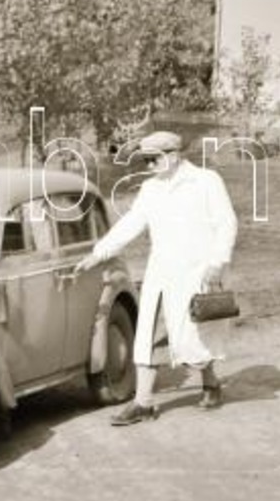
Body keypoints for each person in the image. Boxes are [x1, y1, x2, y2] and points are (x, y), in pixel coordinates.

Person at [74, 130, 238, 424]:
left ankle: (210, 382)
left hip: (198, 273)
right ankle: (143, 402)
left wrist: (217, 262)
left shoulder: (205, 182)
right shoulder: (151, 189)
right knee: (149, 333)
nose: (148, 166)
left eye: (153, 159)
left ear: (174, 156)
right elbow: (131, 224)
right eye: (145, 160)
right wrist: (97, 254)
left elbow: (227, 223)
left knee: (195, 336)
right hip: (162, 273)